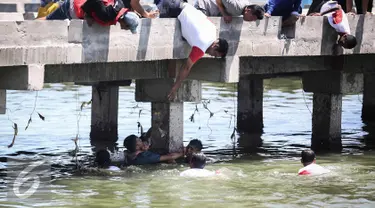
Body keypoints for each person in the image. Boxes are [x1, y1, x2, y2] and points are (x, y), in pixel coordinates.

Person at [160, 2, 228, 100]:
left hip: (183, 4)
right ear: (215, 46)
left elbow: (203, 17)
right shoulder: (201, 47)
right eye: (215, 54)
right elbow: (186, 67)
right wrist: (175, 87)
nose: (212, 56)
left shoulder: (213, 29)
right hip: (173, 9)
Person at [38, 0, 140, 34]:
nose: (126, 29)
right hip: (72, 7)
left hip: (78, 4)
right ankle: (29, 26)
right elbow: (95, 1)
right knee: (47, 21)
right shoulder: (107, 15)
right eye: (127, 27)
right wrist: (87, 15)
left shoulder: (121, 6)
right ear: (123, 21)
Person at [194, 0, 265, 23]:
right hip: (204, 6)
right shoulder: (236, 6)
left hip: (212, 10)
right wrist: (224, 14)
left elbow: (259, 10)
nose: (251, 21)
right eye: (252, 18)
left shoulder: (250, 6)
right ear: (248, 11)